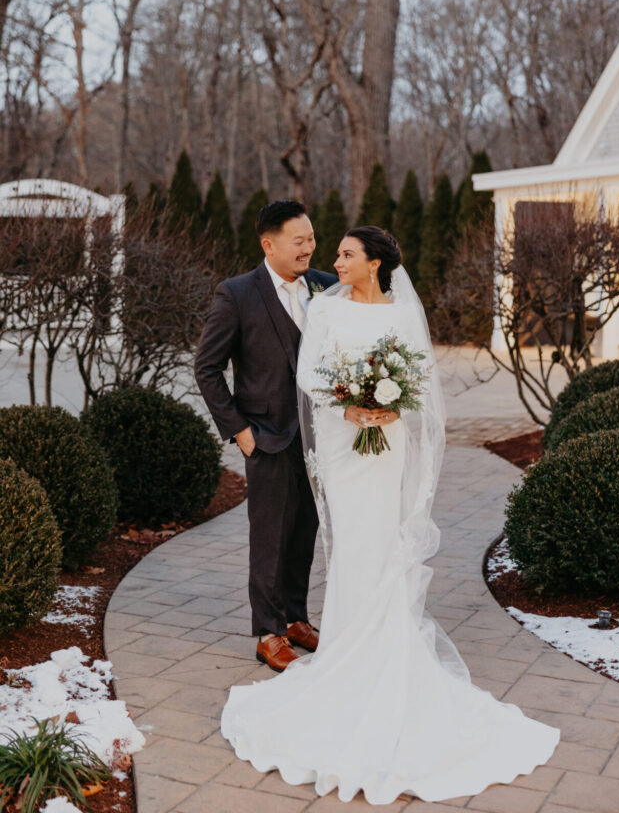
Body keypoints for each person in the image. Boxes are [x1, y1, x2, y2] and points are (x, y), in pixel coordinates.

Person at [220, 225, 561, 805]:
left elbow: (422, 382)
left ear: (374, 263)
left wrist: (389, 407)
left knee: (383, 545)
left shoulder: (402, 314)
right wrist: (351, 406)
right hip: (341, 444)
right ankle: (345, 653)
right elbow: (310, 376)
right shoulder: (327, 309)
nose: (334, 259)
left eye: (346, 254)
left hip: (387, 445)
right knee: (351, 545)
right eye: (335, 252)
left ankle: (386, 653)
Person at [194, 200, 336, 672]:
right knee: (270, 537)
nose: (309, 248)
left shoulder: (327, 288)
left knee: (305, 532)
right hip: (267, 435)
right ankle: (268, 632)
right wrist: (239, 430)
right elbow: (208, 368)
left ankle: (296, 618)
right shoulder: (236, 294)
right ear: (268, 243)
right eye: (300, 240)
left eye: (312, 238)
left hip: (320, 437)